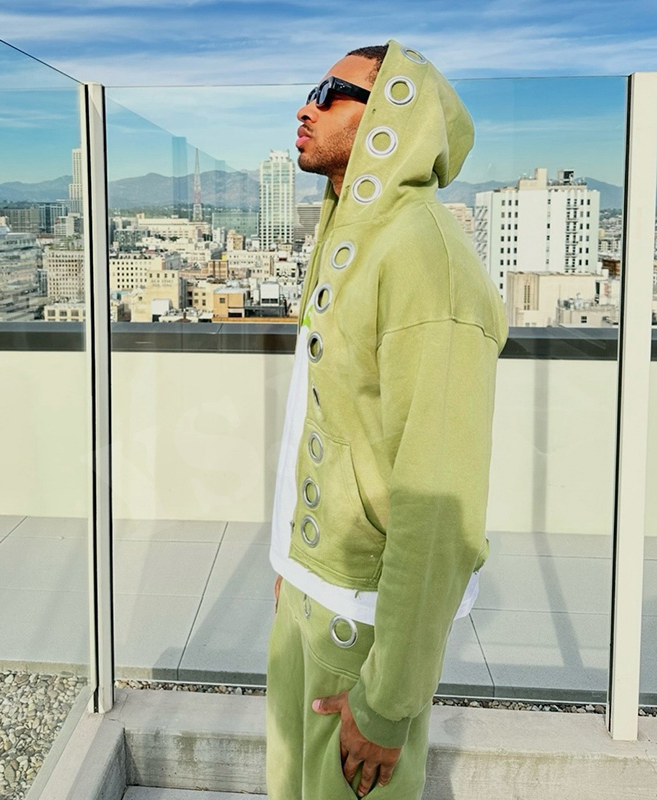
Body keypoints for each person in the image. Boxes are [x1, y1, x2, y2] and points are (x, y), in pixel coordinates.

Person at [266, 40, 508, 799]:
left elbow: (441, 504)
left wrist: (390, 700)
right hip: (313, 589)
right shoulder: (353, 237)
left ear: (390, 115)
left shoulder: (425, 258)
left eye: (330, 92)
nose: (306, 107)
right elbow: (324, 423)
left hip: (362, 621)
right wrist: (292, 566)